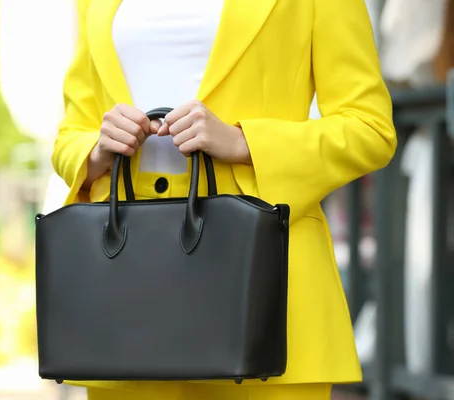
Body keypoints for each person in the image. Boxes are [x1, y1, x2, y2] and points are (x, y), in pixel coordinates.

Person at [51, 0, 397, 398]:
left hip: (260, 280)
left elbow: (370, 127)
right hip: (127, 290)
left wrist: (244, 141)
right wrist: (96, 149)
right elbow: (71, 134)